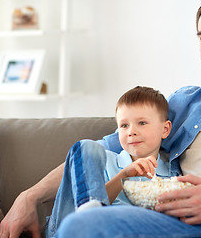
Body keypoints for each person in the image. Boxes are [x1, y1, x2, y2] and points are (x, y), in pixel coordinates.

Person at [0, 0, 201, 237]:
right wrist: (27, 198)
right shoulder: (182, 103)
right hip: (180, 225)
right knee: (84, 224)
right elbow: (100, 149)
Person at [46, 86, 172, 237]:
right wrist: (124, 175)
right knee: (88, 147)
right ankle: (89, 212)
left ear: (165, 129)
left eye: (142, 123)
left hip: (115, 231)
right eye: (124, 125)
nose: (131, 131)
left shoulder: (172, 173)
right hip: (69, 225)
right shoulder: (103, 161)